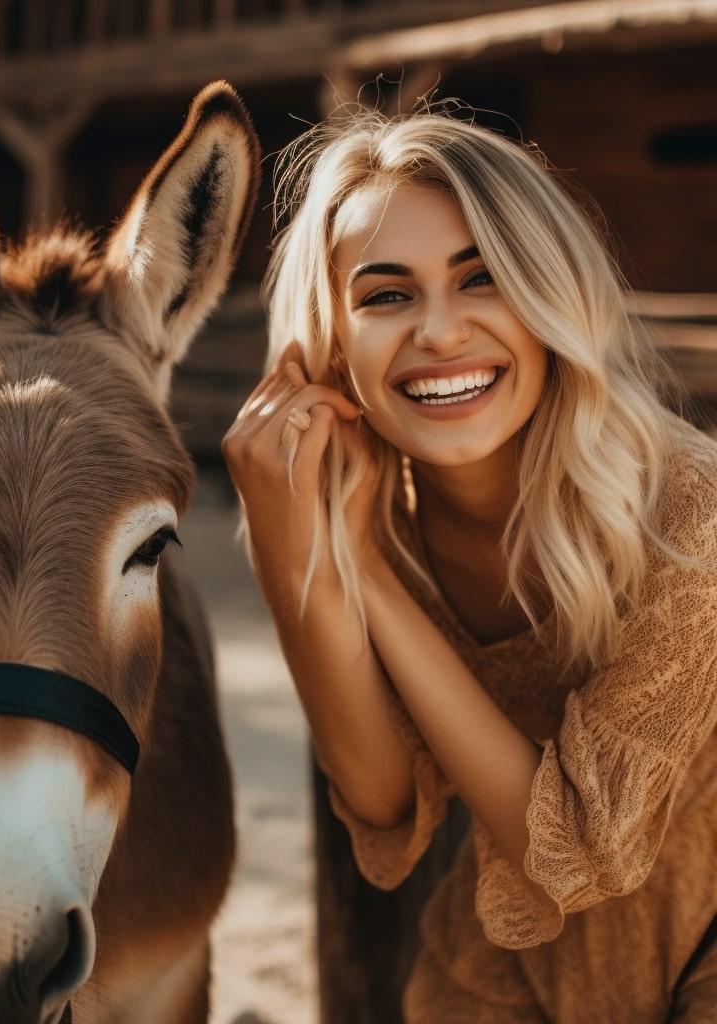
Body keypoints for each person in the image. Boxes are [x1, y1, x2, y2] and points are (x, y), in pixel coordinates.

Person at [222, 106, 717, 1023]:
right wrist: (321, 554)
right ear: (328, 345)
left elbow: (574, 848)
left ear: (550, 297)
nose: (440, 333)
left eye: (481, 278)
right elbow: (381, 803)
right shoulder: (383, 525)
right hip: (511, 969)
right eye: (385, 295)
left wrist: (362, 573)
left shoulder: (692, 517)